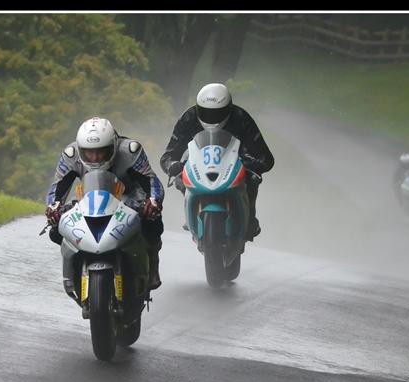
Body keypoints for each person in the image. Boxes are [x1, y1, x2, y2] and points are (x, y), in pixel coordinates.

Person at [44, 117, 164, 290]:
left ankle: (152, 262)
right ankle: (74, 267)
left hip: (128, 196)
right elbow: (56, 189)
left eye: (102, 152)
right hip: (88, 197)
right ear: (80, 149)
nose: (95, 157)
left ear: (113, 146)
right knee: (55, 230)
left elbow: (152, 182)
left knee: (153, 222)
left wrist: (153, 202)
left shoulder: (130, 151)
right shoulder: (70, 155)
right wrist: (53, 208)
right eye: (89, 152)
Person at [159, 83, 274, 241]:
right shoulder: (189, 118)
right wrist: (172, 165)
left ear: (228, 109)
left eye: (217, 113)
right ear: (198, 108)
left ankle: (250, 220)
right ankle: (191, 212)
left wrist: (252, 165)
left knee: (252, 179)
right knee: (180, 178)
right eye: (206, 112)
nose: (211, 118)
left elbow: (266, 157)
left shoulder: (241, 118)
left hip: (234, 162)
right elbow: (168, 155)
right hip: (199, 163)